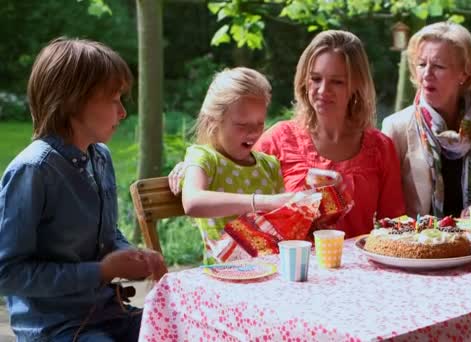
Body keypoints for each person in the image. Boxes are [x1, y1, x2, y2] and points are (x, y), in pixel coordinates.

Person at [0, 37, 167, 341]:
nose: (122, 112)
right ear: (73, 100)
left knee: (180, 328)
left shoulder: (99, 156)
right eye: (114, 99)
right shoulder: (33, 170)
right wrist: (100, 272)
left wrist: (133, 254)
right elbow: (7, 274)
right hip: (58, 329)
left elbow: (107, 234)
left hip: (109, 311)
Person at [170, 30, 406, 239]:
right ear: (304, 80)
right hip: (291, 272)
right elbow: (233, 163)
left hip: (359, 276)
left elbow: (393, 224)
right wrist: (191, 166)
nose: (323, 91)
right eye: (315, 79)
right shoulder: (280, 138)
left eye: (337, 82)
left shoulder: (379, 147)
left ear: (356, 85)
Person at [382, 22, 471, 218]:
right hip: (423, 242)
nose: (426, 74)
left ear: (464, 73)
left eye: (439, 66)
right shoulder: (396, 127)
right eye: (422, 64)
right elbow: (387, 209)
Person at [179, 67, 294, 263]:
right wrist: (263, 201)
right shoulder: (204, 157)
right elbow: (192, 202)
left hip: (271, 274)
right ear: (214, 121)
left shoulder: (268, 165)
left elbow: (282, 225)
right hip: (225, 278)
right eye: (242, 125)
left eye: (260, 124)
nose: (253, 133)